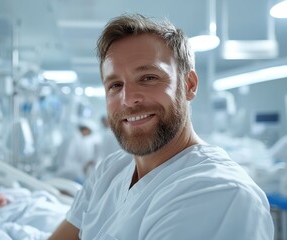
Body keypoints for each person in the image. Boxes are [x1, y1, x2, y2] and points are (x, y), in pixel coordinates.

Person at [50, 13, 274, 240]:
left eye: (148, 78)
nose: (128, 99)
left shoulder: (219, 194)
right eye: (115, 85)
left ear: (189, 85)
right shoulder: (111, 170)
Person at [0, 186, 69, 234]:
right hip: (49, 224)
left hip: (63, 214)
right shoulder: (0, 217)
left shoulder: (19, 200)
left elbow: (39, 197)